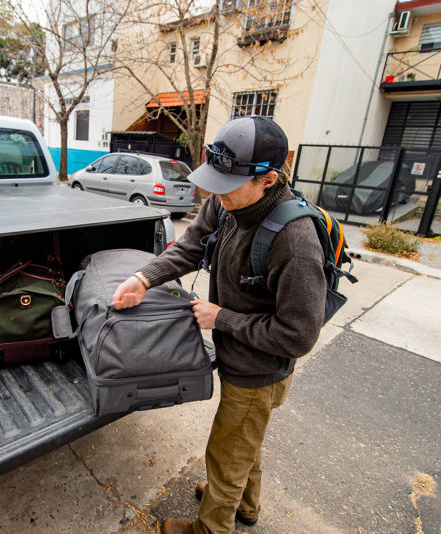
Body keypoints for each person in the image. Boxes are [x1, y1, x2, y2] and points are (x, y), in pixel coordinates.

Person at [111, 116, 327, 534]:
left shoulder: (296, 243)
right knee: (244, 441)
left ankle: (211, 527)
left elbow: (299, 336)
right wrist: (143, 278)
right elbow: (191, 246)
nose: (215, 193)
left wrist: (220, 318)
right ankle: (245, 506)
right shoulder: (228, 199)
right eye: (214, 180)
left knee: (227, 452)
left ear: (267, 179)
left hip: (259, 370)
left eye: (227, 184)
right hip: (238, 353)